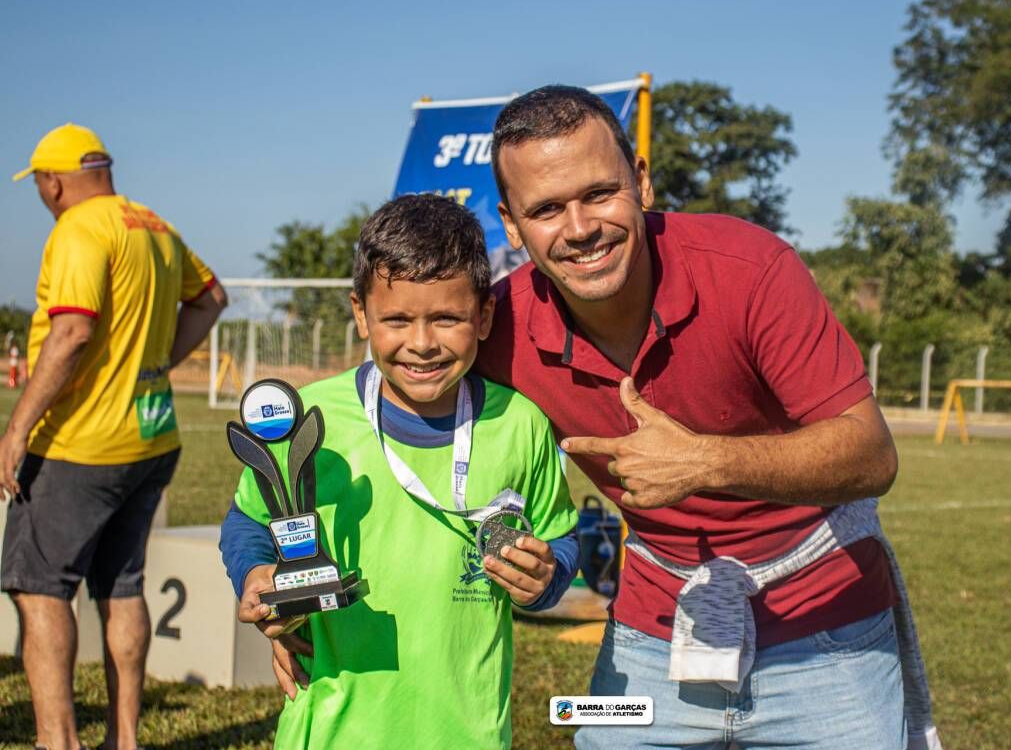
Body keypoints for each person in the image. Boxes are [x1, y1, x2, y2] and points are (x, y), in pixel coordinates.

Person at [263, 87, 938, 749]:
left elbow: (873, 456)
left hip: (824, 619)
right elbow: (386, 405)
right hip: (653, 623)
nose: (580, 228)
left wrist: (708, 461)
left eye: (598, 194)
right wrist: (299, 609)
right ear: (513, 221)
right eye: (547, 208)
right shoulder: (494, 325)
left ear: (640, 183)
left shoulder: (751, 268)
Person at [218, 194, 580, 749]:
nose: (422, 343)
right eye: (397, 319)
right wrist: (256, 575)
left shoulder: (520, 424)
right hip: (333, 728)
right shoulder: (309, 419)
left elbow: (559, 535)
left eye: (447, 318)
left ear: (483, 315)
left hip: (467, 731)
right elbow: (247, 519)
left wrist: (545, 579)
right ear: (361, 312)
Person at [1, 123, 226, 750]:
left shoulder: (77, 229)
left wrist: (17, 426)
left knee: (39, 589)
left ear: (52, 181)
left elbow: (72, 333)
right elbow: (212, 299)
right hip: (151, 438)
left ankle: (58, 741)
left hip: (79, 444)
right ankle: (123, 739)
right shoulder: (154, 225)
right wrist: (155, 364)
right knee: (122, 585)